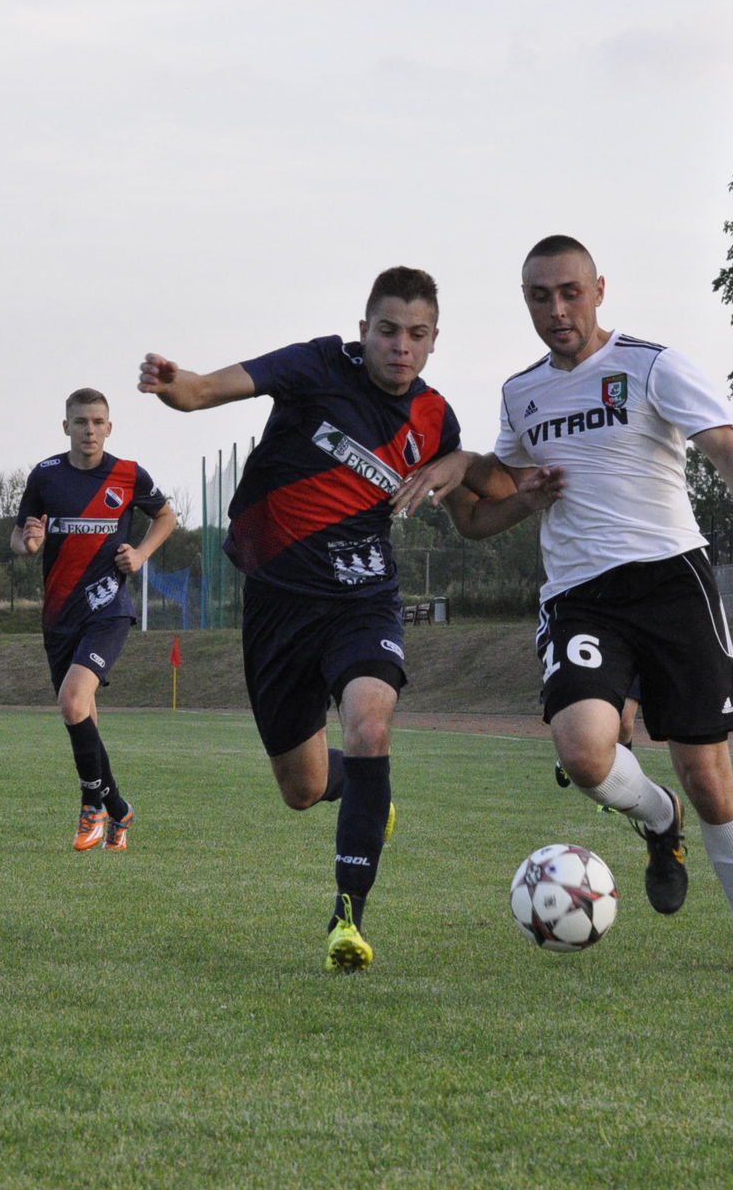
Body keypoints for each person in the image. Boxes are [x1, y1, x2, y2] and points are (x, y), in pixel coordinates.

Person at [446, 234, 733, 975]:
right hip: (580, 597)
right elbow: (497, 499)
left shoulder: (650, 365)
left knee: (708, 774)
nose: (557, 309)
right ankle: (657, 818)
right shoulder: (522, 392)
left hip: (673, 583)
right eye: (540, 297)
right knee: (581, 752)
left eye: (570, 292)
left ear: (599, 289)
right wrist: (458, 472)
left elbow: (730, 450)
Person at [137, 265, 468, 973]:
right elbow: (201, 391)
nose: (399, 347)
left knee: (371, 721)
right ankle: (361, 789)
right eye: (387, 331)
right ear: (363, 330)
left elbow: (481, 505)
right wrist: (174, 383)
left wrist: (466, 461)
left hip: (363, 598)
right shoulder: (318, 364)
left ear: (434, 341)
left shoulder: (437, 420)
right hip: (278, 605)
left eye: (416, 335)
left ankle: (347, 917)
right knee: (303, 789)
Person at [12, 387, 177, 854]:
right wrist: (28, 543)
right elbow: (20, 535)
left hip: (108, 608)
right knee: (82, 714)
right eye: (81, 422)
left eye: (98, 422)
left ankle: (92, 804)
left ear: (109, 427)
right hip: (59, 614)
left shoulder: (127, 475)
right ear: (66, 427)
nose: (89, 430)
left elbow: (166, 516)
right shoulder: (45, 476)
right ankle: (119, 808)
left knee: (71, 701)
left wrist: (141, 553)